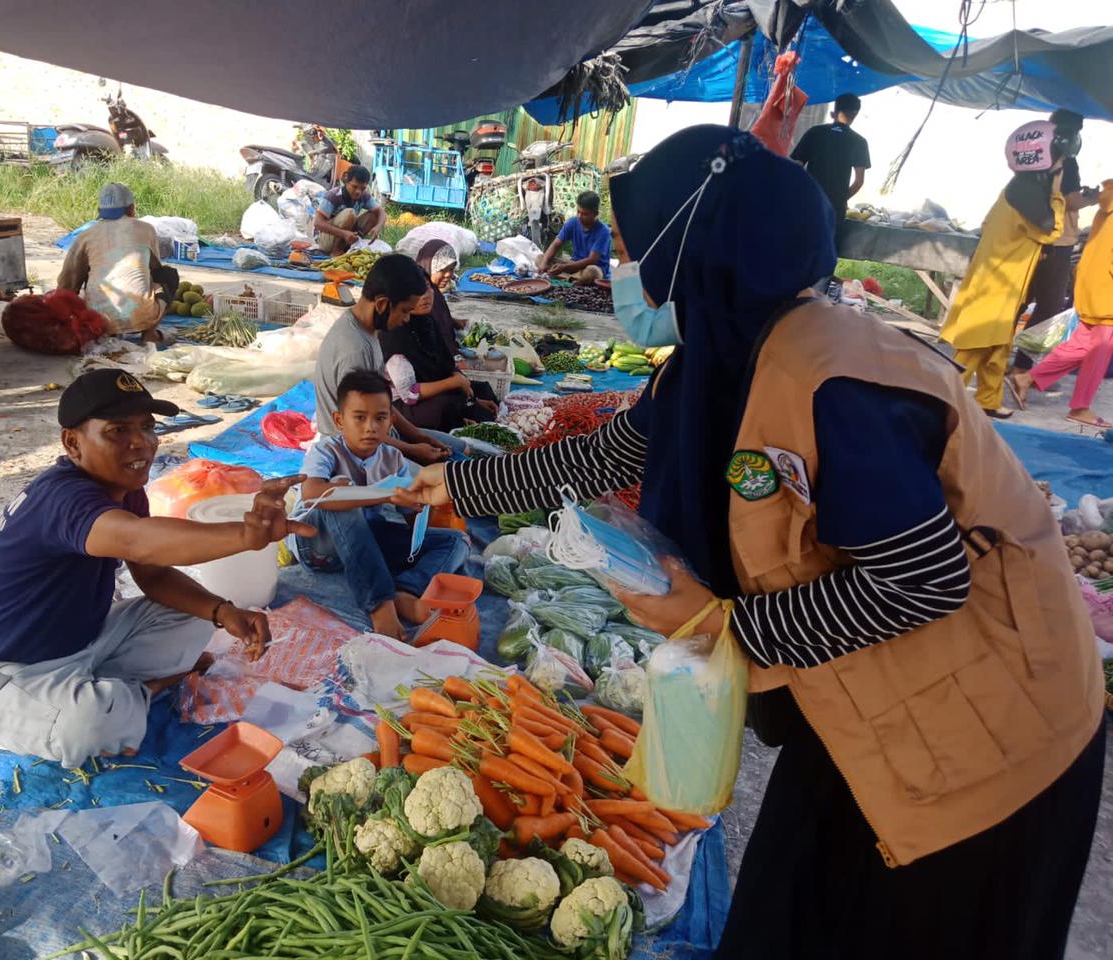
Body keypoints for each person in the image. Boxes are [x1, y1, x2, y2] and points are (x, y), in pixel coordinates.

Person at [405, 125, 1105, 960]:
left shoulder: (838, 383)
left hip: (986, 739)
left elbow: (922, 580)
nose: (631, 264)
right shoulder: (719, 359)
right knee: (787, 917)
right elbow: (610, 452)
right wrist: (459, 483)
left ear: (702, 245)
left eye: (639, 242)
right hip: (858, 702)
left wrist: (725, 624)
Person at [0, 369, 313, 767]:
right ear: (72, 443)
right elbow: (137, 539)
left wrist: (223, 612)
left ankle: (110, 691)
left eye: (147, 427)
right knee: (88, 724)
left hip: (77, 643)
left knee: (197, 613)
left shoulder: (123, 492)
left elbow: (154, 574)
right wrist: (247, 535)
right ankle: (146, 691)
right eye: (117, 431)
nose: (141, 443)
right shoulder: (64, 499)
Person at [295, 369, 470, 640]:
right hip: (318, 545)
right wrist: (383, 495)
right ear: (339, 420)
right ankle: (380, 603)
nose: (370, 427)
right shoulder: (326, 450)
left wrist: (420, 509)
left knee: (456, 541)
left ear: (390, 421)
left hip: (365, 541)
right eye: (360, 418)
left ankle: (406, 591)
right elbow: (312, 494)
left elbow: (412, 520)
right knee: (342, 493)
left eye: (380, 418)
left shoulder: (393, 459)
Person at [940, 120, 1072, 419]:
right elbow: (1052, 231)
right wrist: (1057, 192)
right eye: (1061, 156)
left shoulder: (1017, 189)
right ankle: (942, 402)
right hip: (996, 284)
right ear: (1047, 157)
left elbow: (989, 224)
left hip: (1002, 282)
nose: (1064, 162)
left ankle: (987, 399)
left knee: (997, 348)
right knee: (974, 348)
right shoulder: (1032, 197)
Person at [312, 253, 459, 465]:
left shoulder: (367, 329)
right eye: (405, 311)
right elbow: (364, 433)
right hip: (355, 453)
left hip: (380, 434)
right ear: (382, 304)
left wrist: (418, 435)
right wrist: (413, 450)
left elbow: (384, 405)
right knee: (442, 478)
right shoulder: (355, 351)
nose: (407, 319)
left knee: (459, 449)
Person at [1009, 179, 1113, 427]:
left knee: (1083, 343)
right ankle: (1080, 407)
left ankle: (1028, 379)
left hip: (1091, 281)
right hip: (1106, 287)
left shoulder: (1108, 199)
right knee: (1101, 346)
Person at [1008, 109, 1102, 380]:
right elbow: (1071, 201)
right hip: (1057, 240)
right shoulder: (1066, 162)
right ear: (1071, 136)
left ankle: (995, 357)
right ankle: (1022, 368)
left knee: (1018, 301)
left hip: (1029, 238)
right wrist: (1095, 198)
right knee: (1049, 308)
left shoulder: (1033, 159)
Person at [382, 241, 498, 431]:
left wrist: (472, 398)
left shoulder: (427, 323)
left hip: (431, 389)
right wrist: (454, 383)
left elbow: (445, 363)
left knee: (479, 392)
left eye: (428, 288)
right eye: (418, 293)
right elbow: (409, 395)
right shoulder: (395, 335)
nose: (427, 295)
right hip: (403, 407)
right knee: (447, 407)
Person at [57, 182, 179, 343]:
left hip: (98, 319)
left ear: (100, 211)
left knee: (90, 274)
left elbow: (68, 281)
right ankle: (149, 334)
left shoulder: (86, 235)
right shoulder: (146, 229)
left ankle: (108, 331)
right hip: (141, 316)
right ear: (131, 209)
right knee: (168, 275)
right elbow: (155, 268)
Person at [790, 93, 870, 229]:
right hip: (833, 210)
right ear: (855, 113)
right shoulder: (859, 142)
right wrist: (840, 199)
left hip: (807, 203)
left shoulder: (814, 132)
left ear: (836, 110)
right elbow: (859, 181)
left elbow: (796, 169)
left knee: (798, 247)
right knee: (826, 248)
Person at [536, 191, 612, 284]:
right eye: (578, 212)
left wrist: (564, 268)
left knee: (592, 272)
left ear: (595, 214)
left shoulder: (603, 231)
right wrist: (544, 262)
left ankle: (566, 277)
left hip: (593, 268)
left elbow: (592, 260)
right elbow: (556, 245)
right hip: (573, 265)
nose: (579, 216)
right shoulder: (572, 222)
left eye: (585, 214)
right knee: (540, 258)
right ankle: (575, 279)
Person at [315, 165, 386, 255]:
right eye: (354, 186)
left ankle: (355, 244)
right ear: (346, 182)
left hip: (346, 236)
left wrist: (377, 227)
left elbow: (381, 211)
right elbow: (317, 223)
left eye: (362, 188)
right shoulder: (333, 195)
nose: (358, 192)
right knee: (350, 213)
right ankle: (336, 251)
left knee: (374, 214)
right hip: (326, 240)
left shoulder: (364, 195)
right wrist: (343, 233)